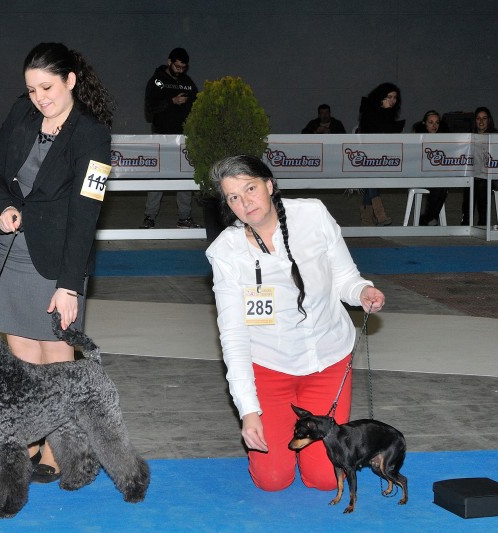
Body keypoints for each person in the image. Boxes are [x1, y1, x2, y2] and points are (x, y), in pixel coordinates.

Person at [205, 154, 385, 492]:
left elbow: (346, 278)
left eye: (251, 188)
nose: (245, 202)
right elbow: (233, 337)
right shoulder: (225, 253)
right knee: (272, 481)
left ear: (269, 185)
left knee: (324, 479)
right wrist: (248, 411)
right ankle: (276, 442)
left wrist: (362, 292)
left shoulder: (312, 214)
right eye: (234, 197)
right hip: (270, 369)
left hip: (328, 362)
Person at [0, 42, 113, 483]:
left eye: (47, 87)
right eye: (32, 88)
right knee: (21, 353)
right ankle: (32, 439)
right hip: (10, 249)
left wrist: (70, 284)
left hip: (58, 261)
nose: (39, 97)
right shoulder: (22, 113)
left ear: (71, 80)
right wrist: (1, 207)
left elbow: (86, 213)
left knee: (57, 358)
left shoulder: (92, 134)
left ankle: (62, 450)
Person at [140, 47, 201, 229]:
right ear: (169, 62)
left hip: (183, 137)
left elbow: (198, 104)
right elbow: (149, 109)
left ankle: (184, 217)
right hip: (162, 136)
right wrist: (171, 102)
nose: (180, 70)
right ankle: (149, 217)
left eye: (183, 67)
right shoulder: (157, 81)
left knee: (185, 177)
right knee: (158, 177)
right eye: (177, 66)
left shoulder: (187, 82)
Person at [357, 82, 405, 226]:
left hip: (380, 155)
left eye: (395, 97)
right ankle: (380, 214)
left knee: (371, 184)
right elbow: (371, 132)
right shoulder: (369, 111)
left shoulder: (387, 113)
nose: (392, 100)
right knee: (372, 182)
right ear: (380, 97)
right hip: (366, 155)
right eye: (389, 97)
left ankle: (366, 221)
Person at [463, 107, 498, 225]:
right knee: (470, 182)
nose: (481, 121)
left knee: (482, 184)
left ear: (489, 120)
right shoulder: (469, 137)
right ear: (475, 121)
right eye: (478, 118)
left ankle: (483, 222)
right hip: (473, 175)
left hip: (490, 176)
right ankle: (466, 220)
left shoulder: (495, 136)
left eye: (484, 118)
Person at [413, 110, 449, 226]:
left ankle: (427, 218)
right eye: (431, 123)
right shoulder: (417, 139)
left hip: (437, 176)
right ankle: (430, 218)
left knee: (443, 186)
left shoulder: (443, 139)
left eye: (437, 123)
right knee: (439, 186)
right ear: (424, 124)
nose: (434, 126)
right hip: (419, 175)